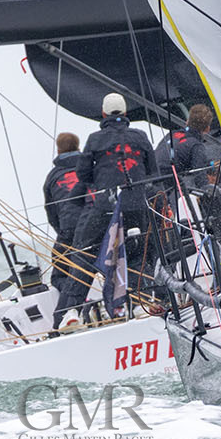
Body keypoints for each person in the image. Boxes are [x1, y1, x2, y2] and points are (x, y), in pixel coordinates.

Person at [54, 93, 159, 328]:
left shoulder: (95, 139)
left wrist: (101, 181)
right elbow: (153, 171)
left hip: (104, 208)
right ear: (125, 114)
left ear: (103, 114)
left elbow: (83, 175)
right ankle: (143, 303)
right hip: (136, 206)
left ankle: (70, 313)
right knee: (138, 253)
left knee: (84, 255)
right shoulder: (140, 137)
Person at [42, 133, 86, 292]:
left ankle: (74, 301)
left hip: (70, 229)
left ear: (58, 150)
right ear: (78, 147)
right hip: (101, 225)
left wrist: (63, 232)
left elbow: (51, 212)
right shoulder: (92, 167)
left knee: (59, 276)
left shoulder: (52, 177)